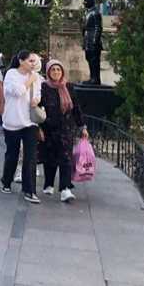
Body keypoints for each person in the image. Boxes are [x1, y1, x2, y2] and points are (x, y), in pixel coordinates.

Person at [39, 60, 87, 203]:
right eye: (53, 70)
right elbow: (38, 108)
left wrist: (82, 126)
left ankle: (65, 189)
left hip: (66, 128)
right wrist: (39, 128)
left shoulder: (68, 87)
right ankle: (48, 184)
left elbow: (76, 108)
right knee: (50, 158)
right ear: (48, 72)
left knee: (66, 158)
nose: (56, 73)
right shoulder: (44, 87)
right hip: (49, 128)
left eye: (58, 70)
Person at [1, 50, 43, 204]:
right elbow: (17, 91)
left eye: (35, 61)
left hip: (30, 121)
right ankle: (6, 180)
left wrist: (36, 100)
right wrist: (30, 80)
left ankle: (29, 190)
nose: (33, 64)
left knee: (30, 156)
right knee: (12, 154)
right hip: (13, 120)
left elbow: (38, 92)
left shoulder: (36, 77)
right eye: (30, 61)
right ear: (21, 61)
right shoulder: (11, 74)